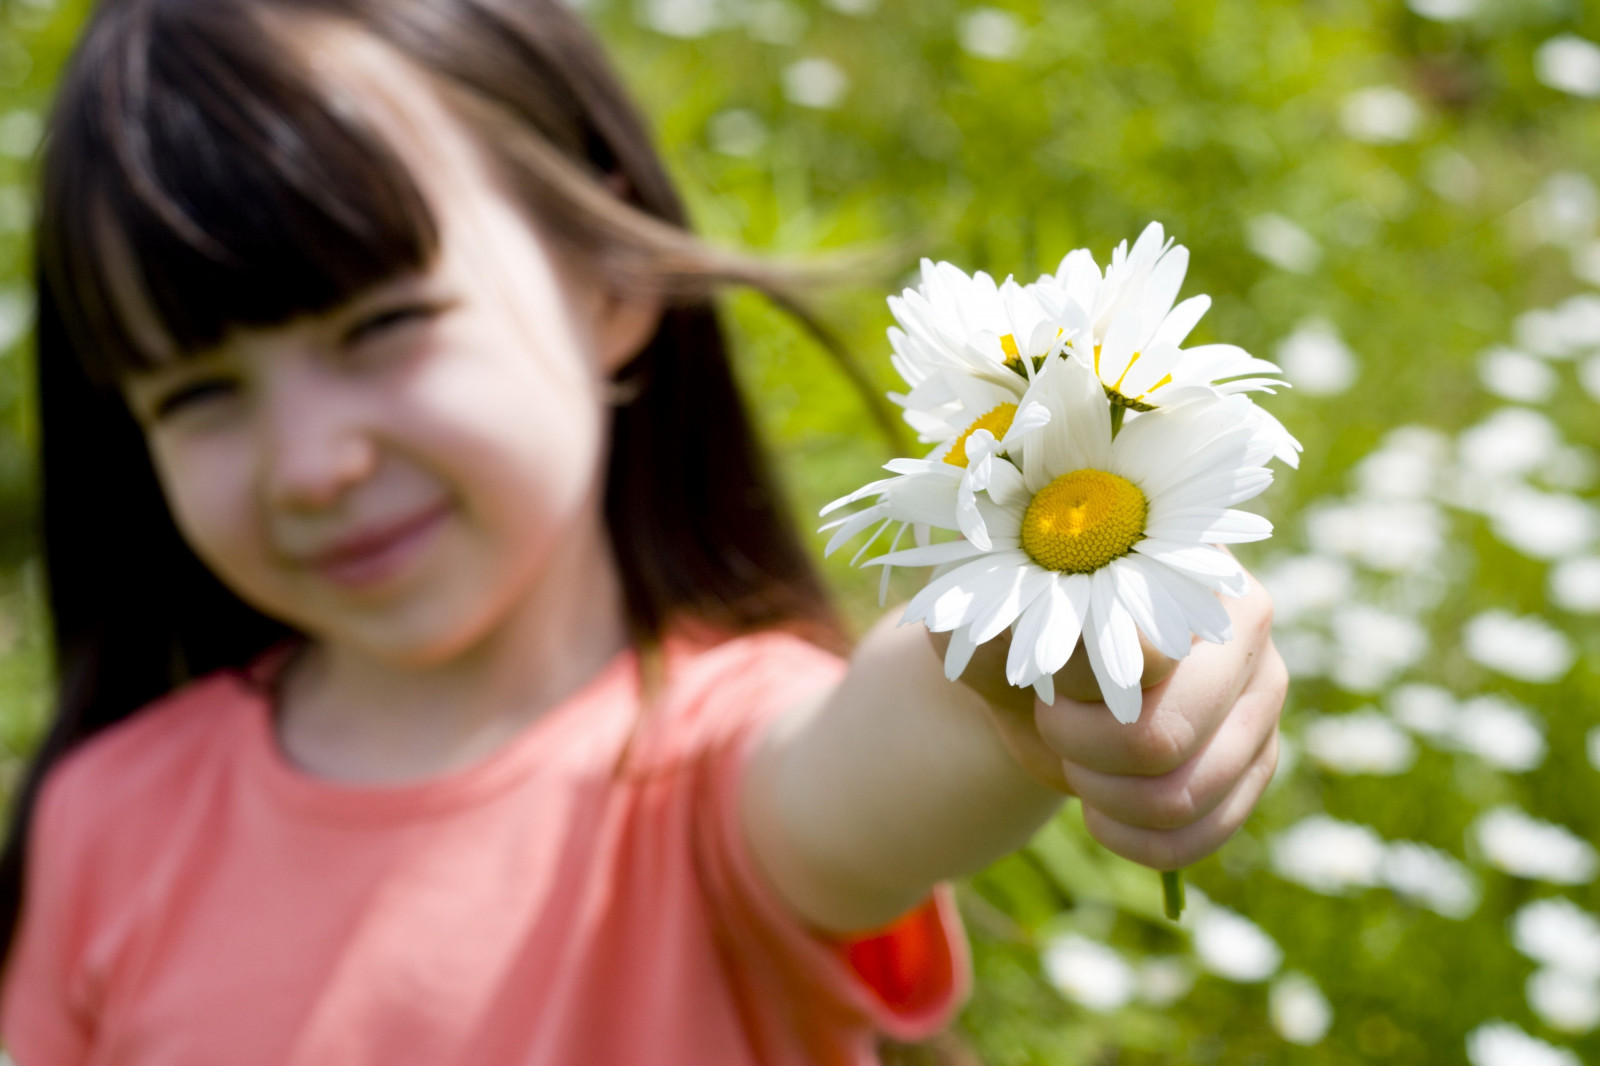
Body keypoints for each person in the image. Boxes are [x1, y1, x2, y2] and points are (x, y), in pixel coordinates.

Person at [0, 0, 1288, 1063]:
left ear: (607, 276)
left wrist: (1027, 672)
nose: (313, 466)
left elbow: (882, 756)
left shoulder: (713, 773)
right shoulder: (101, 823)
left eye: (381, 327)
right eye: (199, 393)